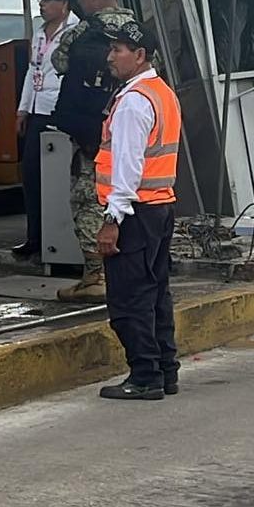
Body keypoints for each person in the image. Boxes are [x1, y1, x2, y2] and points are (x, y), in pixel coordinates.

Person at [95, 22, 181, 400]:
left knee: (129, 300)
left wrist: (111, 220)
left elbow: (127, 169)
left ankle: (145, 376)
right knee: (156, 294)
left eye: (118, 50)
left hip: (135, 212)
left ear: (140, 55)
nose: (110, 57)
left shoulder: (133, 102)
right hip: (159, 208)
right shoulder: (162, 93)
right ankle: (165, 370)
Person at [50, 0, 136, 303]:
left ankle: (95, 277)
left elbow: (58, 64)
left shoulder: (79, 33)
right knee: (130, 198)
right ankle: (126, 272)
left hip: (91, 136)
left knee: (88, 200)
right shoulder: (138, 32)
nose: (80, 1)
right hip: (132, 133)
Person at [12, 0, 79, 258]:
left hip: (59, 110)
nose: (42, 4)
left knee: (58, 176)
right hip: (38, 109)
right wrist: (22, 109)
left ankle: (59, 239)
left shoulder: (75, 31)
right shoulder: (39, 32)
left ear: (64, 3)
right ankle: (34, 237)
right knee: (31, 174)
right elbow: (33, 70)